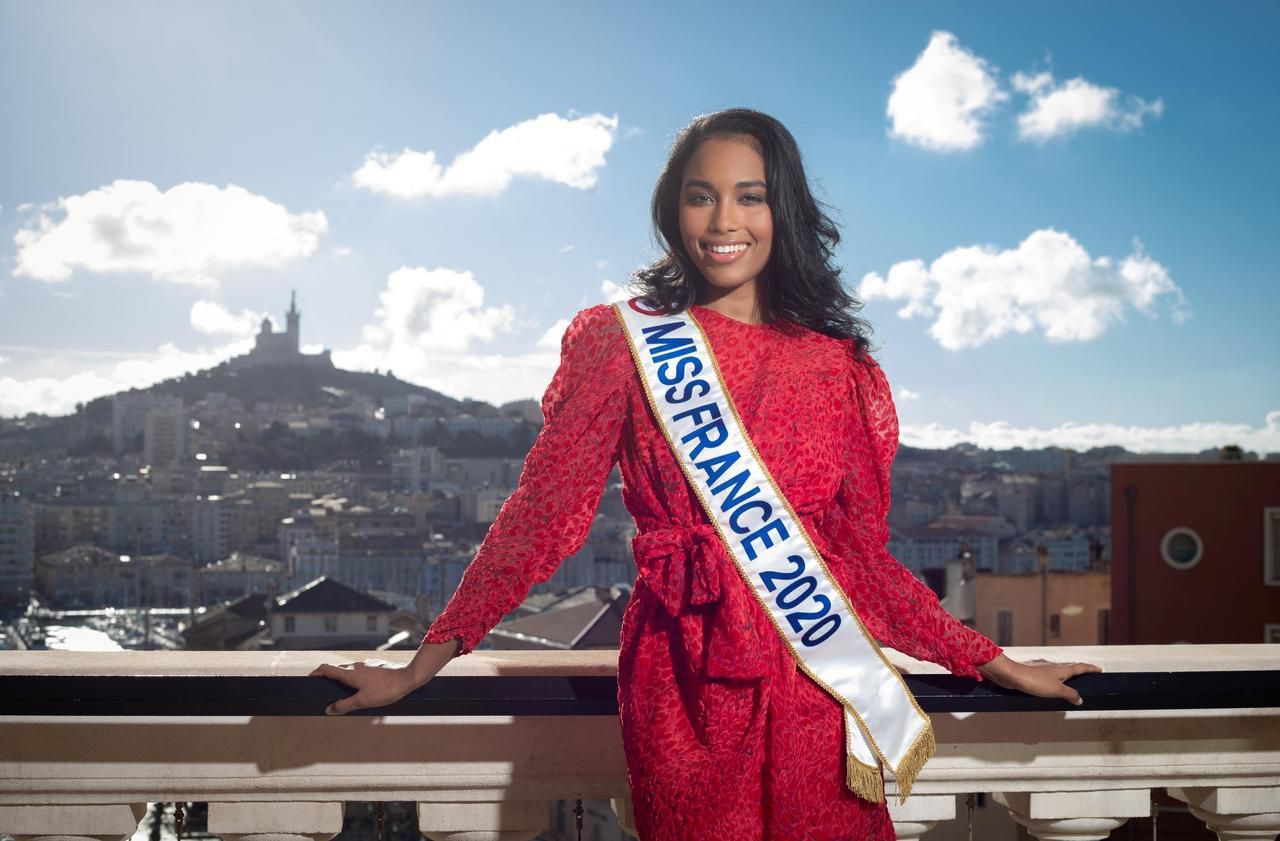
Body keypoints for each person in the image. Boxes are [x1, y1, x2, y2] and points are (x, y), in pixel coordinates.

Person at [310, 107, 1103, 840]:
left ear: (780, 210)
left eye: (749, 197)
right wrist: (424, 662)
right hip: (684, 680)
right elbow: (544, 514)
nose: (724, 222)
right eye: (701, 197)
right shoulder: (623, 344)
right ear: (672, 211)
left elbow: (857, 561)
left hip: (817, 688)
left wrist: (992, 661)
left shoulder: (840, 370)